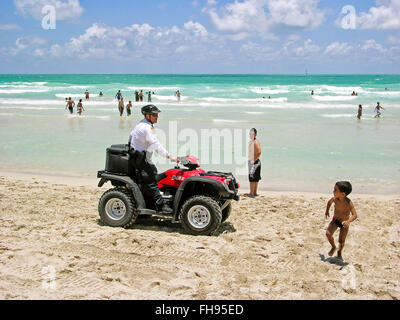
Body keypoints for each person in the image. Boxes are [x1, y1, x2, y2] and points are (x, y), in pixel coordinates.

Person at [128, 104, 179, 213]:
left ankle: (151, 200)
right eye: (154, 115)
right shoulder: (146, 128)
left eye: (157, 114)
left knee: (154, 174)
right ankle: (161, 205)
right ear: (147, 116)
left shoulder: (140, 125)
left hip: (139, 158)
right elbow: (156, 145)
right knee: (151, 180)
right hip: (140, 160)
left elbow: (130, 137)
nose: (157, 117)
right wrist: (170, 156)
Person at [325, 181, 358, 260]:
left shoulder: (348, 202)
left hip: (344, 223)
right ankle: (333, 246)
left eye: (335, 190)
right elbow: (329, 203)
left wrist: (348, 221)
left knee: (341, 241)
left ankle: (339, 252)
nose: (333, 191)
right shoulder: (335, 199)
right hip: (335, 220)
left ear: (343, 194)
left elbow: (355, 215)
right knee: (328, 233)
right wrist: (327, 211)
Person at [246, 128, 261, 198]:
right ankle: (254, 192)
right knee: (255, 178)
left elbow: (259, 152)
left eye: (252, 133)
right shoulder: (252, 141)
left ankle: (252, 193)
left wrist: (253, 161)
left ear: (255, 134)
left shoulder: (255, 142)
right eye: (250, 133)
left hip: (254, 162)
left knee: (252, 178)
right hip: (255, 161)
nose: (251, 135)